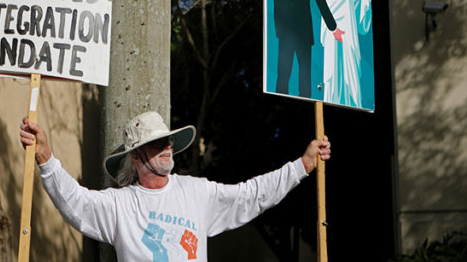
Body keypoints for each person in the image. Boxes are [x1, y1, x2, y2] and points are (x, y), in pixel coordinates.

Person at [19, 111, 331, 262]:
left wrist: (301, 166)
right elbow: (75, 202)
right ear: (136, 158)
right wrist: (46, 158)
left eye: (168, 141)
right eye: (157, 144)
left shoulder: (197, 192)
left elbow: (251, 195)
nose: (168, 146)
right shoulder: (119, 205)